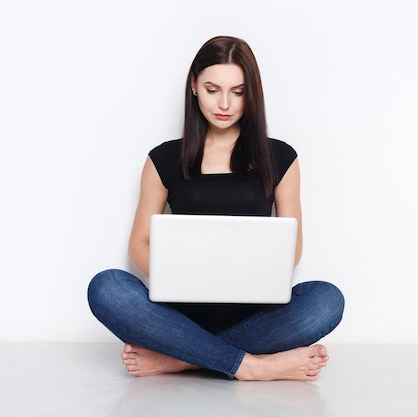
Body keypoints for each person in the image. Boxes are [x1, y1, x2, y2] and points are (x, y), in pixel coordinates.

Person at [87, 36, 344, 381]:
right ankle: (251, 366)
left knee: (327, 299)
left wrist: (245, 274)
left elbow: (292, 246)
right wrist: (184, 274)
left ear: (252, 93)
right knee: (106, 287)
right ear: (194, 85)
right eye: (212, 89)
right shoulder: (163, 158)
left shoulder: (281, 157)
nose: (225, 103)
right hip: (178, 314)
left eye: (238, 92)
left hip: (255, 312)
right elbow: (139, 245)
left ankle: (182, 358)